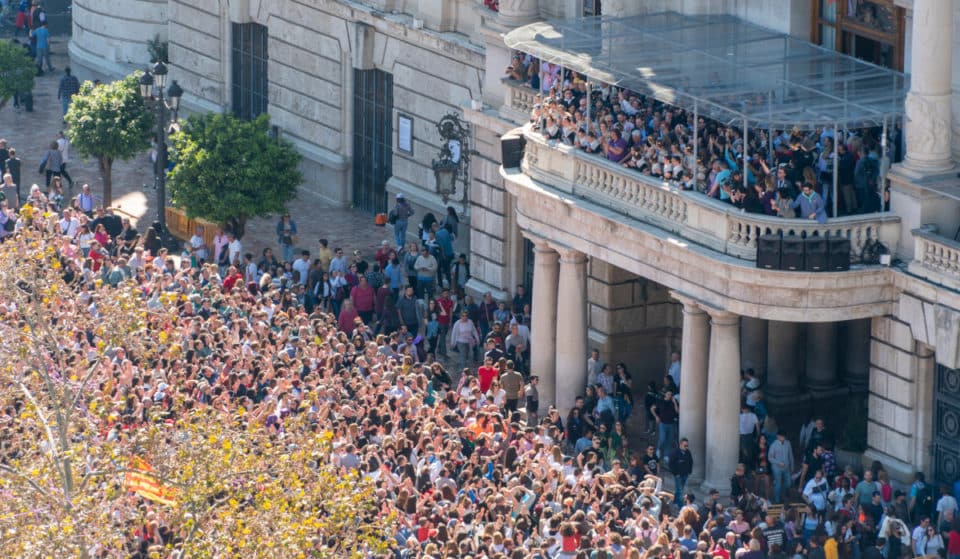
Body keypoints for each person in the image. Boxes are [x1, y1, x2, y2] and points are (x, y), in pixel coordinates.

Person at [651, 389, 679, 462]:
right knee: (662, 438)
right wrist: (656, 416)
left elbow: (677, 411)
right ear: (665, 394)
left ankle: (666, 455)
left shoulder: (673, 402)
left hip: (671, 423)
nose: (669, 396)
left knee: (669, 440)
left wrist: (674, 402)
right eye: (668, 394)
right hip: (663, 423)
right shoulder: (660, 401)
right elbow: (652, 409)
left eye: (671, 394)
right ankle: (658, 449)